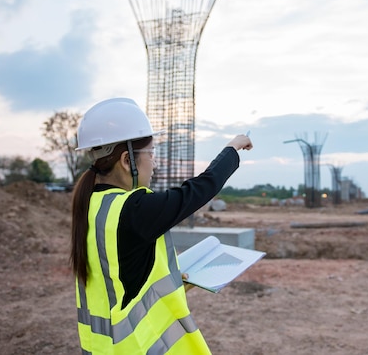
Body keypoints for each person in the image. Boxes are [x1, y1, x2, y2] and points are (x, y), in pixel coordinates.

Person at [70, 97, 252, 354]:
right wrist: (233, 148)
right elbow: (200, 188)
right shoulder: (133, 209)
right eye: (151, 154)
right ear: (126, 160)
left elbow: (120, 279)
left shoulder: (92, 204)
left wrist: (171, 282)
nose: (155, 163)